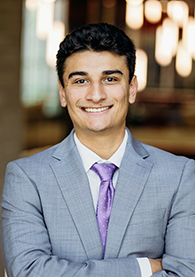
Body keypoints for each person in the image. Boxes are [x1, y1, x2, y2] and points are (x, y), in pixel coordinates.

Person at [1, 23, 195, 277]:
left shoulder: (180, 175)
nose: (96, 95)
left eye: (110, 79)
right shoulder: (26, 177)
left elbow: (186, 273)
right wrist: (143, 266)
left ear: (132, 88)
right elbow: (27, 272)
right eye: (81, 80)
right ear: (63, 93)